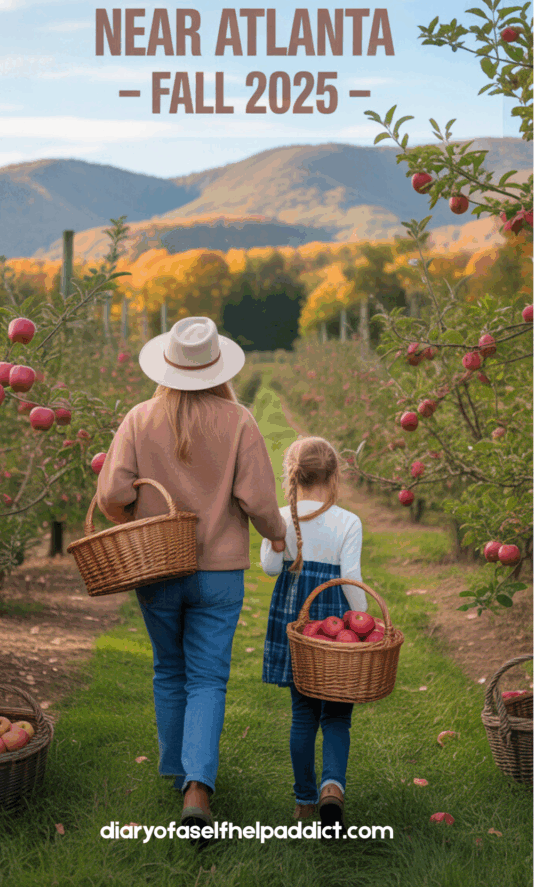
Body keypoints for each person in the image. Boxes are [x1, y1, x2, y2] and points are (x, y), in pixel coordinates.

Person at [96, 316, 287, 833]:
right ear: (216, 366)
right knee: (207, 677)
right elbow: (259, 500)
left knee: (169, 669)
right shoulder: (239, 420)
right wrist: (275, 533)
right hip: (219, 572)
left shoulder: (139, 418)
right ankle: (197, 786)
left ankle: (177, 768)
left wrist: (132, 519)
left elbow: (112, 494)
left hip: (156, 565)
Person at [260, 435, 367, 839]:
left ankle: (304, 801)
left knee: (303, 712)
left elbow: (271, 568)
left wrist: (276, 537)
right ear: (335, 474)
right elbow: (351, 580)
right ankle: (332, 788)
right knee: (337, 713)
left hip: (297, 623)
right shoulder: (348, 521)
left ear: (293, 474)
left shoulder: (283, 518)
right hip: (336, 627)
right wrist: (366, 619)